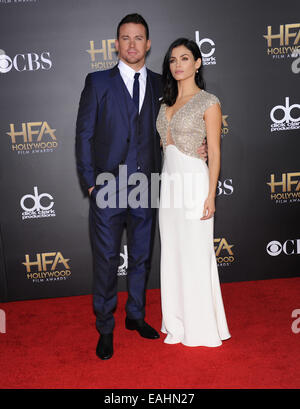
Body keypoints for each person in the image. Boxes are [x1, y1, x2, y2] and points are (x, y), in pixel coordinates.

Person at [76, 14, 207, 360]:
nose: (132, 44)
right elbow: (84, 135)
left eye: (139, 38)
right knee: (105, 260)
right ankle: (105, 326)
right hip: (106, 186)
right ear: (116, 44)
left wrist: (200, 146)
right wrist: (90, 184)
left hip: (147, 184)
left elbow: (179, 121)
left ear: (148, 44)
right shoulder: (98, 83)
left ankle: (135, 315)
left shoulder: (162, 84)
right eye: (125, 38)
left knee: (141, 257)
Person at [156, 38, 231, 347]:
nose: (178, 65)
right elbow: (164, 145)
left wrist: (210, 195)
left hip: (194, 182)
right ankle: (176, 323)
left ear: (198, 63)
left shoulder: (209, 101)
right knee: (172, 254)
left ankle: (201, 326)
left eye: (185, 58)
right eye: (173, 60)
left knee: (196, 253)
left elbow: (213, 151)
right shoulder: (164, 103)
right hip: (169, 185)